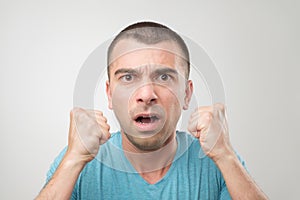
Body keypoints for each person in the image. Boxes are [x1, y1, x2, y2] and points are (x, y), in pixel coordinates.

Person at [36, 21, 267, 200]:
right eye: (128, 77)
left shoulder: (219, 161)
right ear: (109, 94)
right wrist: (73, 161)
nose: (146, 94)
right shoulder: (77, 162)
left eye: (164, 77)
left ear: (186, 94)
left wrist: (226, 157)